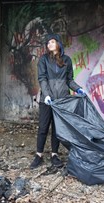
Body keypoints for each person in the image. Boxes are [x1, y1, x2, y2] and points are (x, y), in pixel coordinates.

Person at [30, 33, 86, 169]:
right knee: (43, 127)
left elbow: (69, 80)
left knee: (57, 128)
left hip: (62, 100)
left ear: (59, 44)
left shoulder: (66, 60)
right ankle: (39, 155)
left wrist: (78, 89)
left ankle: (54, 154)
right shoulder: (43, 60)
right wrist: (47, 95)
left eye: (52, 42)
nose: (49, 44)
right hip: (47, 100)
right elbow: (42, 79)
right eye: (48, 42)